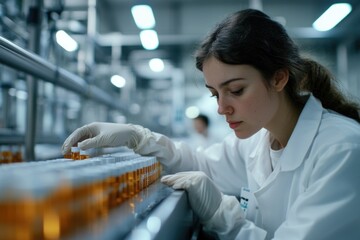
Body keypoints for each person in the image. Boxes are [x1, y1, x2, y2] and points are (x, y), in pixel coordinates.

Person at [62, 9, 360, 240]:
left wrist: (222, 214)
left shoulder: (342, 151)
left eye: (236, 90)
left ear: (279, 78)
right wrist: (140, 138)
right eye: (215, 93)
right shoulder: (258, 139)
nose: (221, 108)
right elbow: (201, 164)